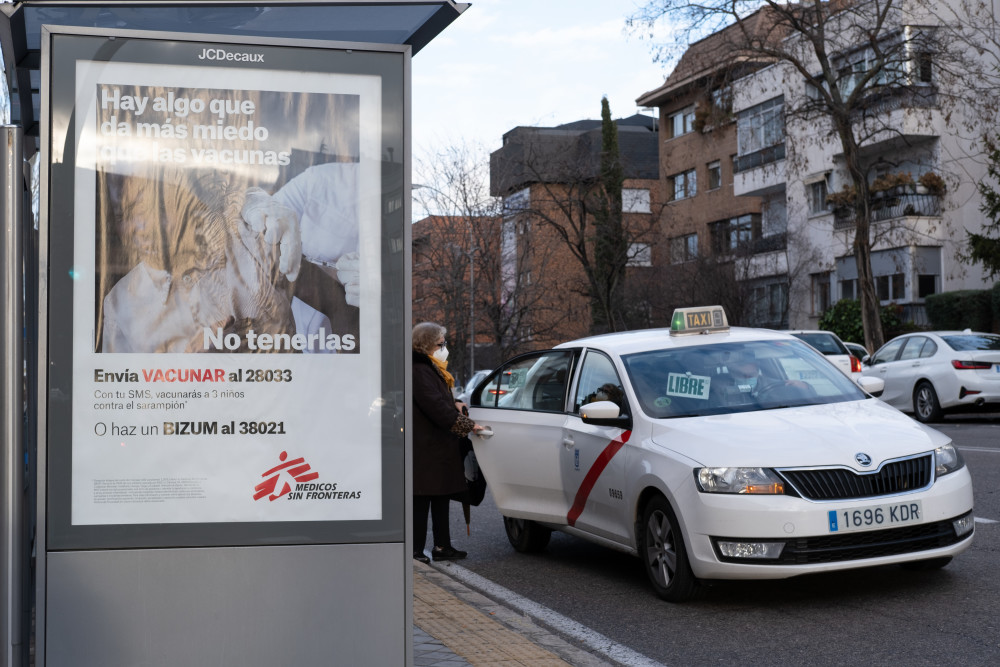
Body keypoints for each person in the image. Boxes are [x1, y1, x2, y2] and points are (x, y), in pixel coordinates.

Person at [411, 322, 484, 563]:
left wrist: (455, 403)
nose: (445, 349)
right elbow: (435, 407)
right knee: (422, 499)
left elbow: (439, 400)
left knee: (440, 496)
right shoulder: (419, 370)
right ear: (426, 345)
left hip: (436, 445)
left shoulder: (431, 368)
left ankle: (442, 546)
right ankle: (415, 550)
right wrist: (468, 425)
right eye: (440, 344)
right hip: (426, 447)